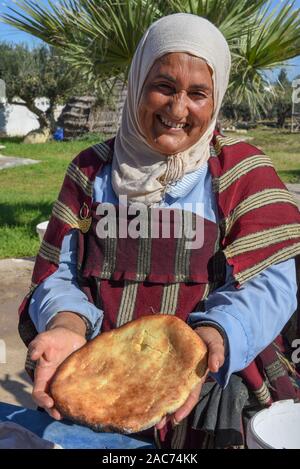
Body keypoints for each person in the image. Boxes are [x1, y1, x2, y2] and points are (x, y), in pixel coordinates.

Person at [18, 13, 300, 449]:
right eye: (164, 86)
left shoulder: (243, 173)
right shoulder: (91, 171)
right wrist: (67, 323)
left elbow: (273, 283)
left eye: (198, 93)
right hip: (101, 384)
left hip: (209, 389)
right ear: (137, 85)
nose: (178, 108)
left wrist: (218, 335)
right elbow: (61, 273)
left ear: (216, 97)